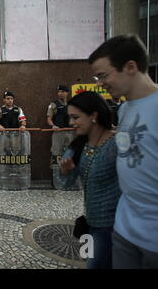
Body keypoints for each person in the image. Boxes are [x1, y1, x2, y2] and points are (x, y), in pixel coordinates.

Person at [89, 34, 158, 268]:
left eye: (103, 75)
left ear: (131, 67)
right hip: (125, 232)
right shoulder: (124, 110)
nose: (100, 83)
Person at [58, 91, 121, 269]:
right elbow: (66, 184)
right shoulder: (77, 147)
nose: (71, 123)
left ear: (93, 115)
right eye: (70, 117)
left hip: (117, 227)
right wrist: (65, 172)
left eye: (76, 117)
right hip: (91, 224)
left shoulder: (118, 144)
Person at [0, 91, 27, 155]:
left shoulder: (18, 109)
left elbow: (23, 120)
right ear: (4, 100)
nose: (10, 100)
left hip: (15, 135)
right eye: (8, 98)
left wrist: (23, 125)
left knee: (16, 151)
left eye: (11, 99)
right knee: (4, 151)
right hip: (3, 134)